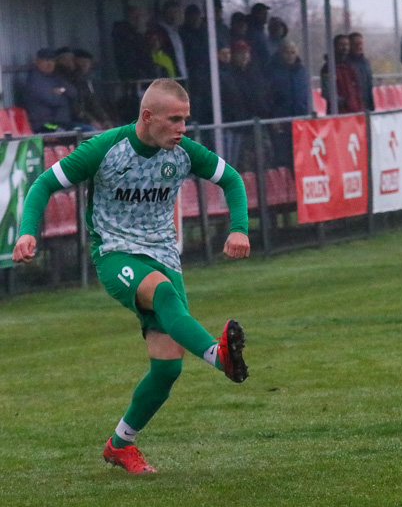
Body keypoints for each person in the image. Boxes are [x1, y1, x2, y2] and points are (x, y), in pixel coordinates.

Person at [12, 78, 250, 473]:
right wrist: (26, 231)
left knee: (167, 369)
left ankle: (120, 445)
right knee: (164, 296)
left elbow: (232, 179)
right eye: (174, 120)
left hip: (164, 255)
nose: (182, 129)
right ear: (147, 116)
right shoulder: (104, 149)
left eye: (185, 120)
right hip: (115, 252)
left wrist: (239, 227)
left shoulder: (184, 152)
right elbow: (43, 185)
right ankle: (217, 355)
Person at [268, 40, 310, 168]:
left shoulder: (301, 71)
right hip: (281, 120)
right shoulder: (273, 71)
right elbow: (268, 97)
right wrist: (273, 117)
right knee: (282, 156)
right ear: (280, 53)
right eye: (287, 52)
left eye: (293, 53)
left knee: (300, 154)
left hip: (300, 120)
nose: (290, 56)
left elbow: (306, 95)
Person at [23, 48, 84, 133]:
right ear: (37, 62)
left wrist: (61, 90)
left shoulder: (56, 77)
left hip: (62, 123)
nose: (49, 64)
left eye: (52, 61)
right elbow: (54, 100)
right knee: (67, 134)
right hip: (44, 124)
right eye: (46, 60)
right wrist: (65, 95)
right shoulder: (34, 80)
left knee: (88, 131)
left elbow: (74, 93)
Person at [320, 34, 362, 115]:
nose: (345, 48)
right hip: (338, 113)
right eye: (341, 45)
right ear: (335, 47)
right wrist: (345, 102)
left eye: (347, 44)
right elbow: (327, 93)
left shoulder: (351, 66)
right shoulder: (328, 67)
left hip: (355, 111)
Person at [71, 48, 112, 129]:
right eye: (82, 62)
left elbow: (94, 104)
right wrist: (92, 121)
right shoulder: (71, 81)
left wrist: (105, 120)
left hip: (91, 119)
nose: (85, 65)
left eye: (87, 62)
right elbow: (77, 109)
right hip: (76, 121)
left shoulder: (88, 80)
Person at [111, 5, 153, 81]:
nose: (144, 20)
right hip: (135, 79)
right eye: (142, 16)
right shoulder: (125, 36)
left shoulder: (137, 35)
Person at [347, 32, 375, 112]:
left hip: (366, 105)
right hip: (352, 107)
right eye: (356, 44)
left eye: (361, 44)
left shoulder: (365, 62)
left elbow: (368, 84)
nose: (359, 47)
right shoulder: (345, 63)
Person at [246, 2, 271, 69]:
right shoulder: (251, 31)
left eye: (266, 14)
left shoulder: (261, 31)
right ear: (256, 14)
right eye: (263, 13)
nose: (265, 16)